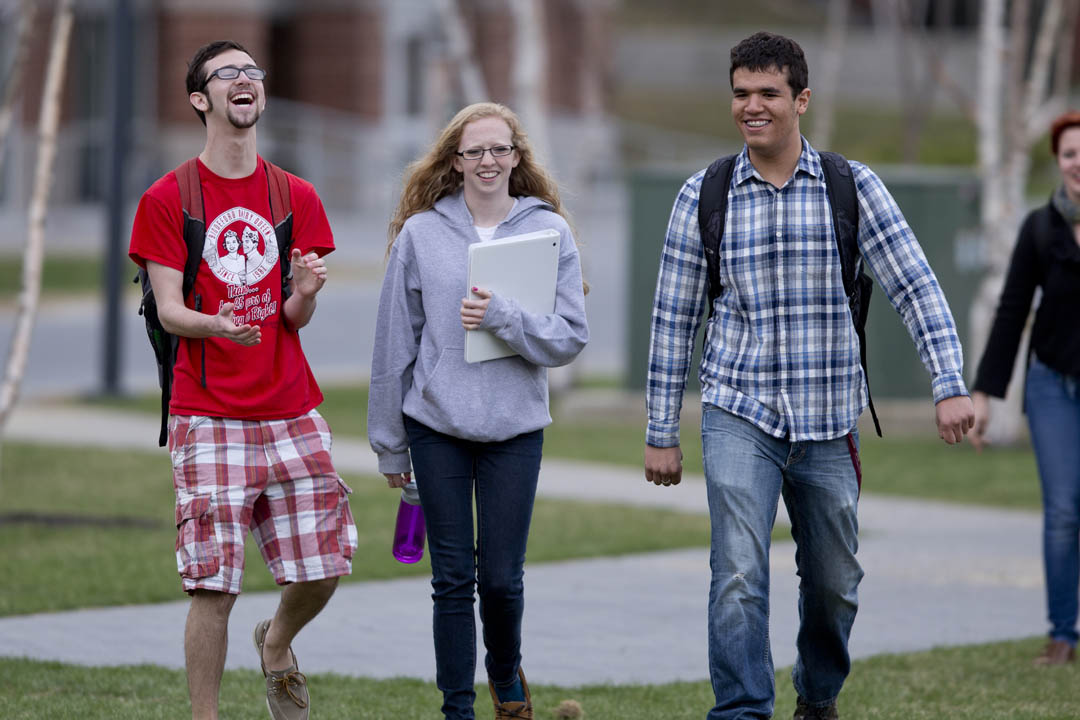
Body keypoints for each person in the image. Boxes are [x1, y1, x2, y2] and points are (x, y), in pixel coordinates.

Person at [643, 31, 975, 720]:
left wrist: (948, 383)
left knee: (834, 582)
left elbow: (916, 286)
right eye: (741, 93)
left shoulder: (853, 187)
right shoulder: (702, 195)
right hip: (739, 411)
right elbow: (673, 321)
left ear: (802, 99)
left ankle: (817, 696)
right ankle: (742, 710)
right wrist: (661, 431)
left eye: (768, 93)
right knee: (737, 571)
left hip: (829, 419)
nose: (752, 106)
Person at [128, 40, 356, 720]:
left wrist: (307, 292)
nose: (244, 80)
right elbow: (169, 310)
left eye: (252, 71)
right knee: (213, 585)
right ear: (201, 99)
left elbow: (292, 316)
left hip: (291, 408)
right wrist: (216, 325)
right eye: (227, 73)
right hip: (208, 413)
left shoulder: (296, 194)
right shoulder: (168, 198)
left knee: (322, 565)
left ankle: (277, 641)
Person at [367, 101, 588, 720]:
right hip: (436, 426)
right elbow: (393, 345)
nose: (487, 161)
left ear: (517, 157)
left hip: (515, 428)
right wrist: (390, 443)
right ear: (456, 161)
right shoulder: (421, 235)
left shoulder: (549, 233)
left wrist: (503, 319)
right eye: (475, 151)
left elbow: (570, 337)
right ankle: (457, 708)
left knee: (501, 580)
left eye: (499, 149)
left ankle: (502, 670)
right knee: (452, 582)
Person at [971, 111, 1080, 668]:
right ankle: (1063, 634)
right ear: (1059, 162)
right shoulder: (1040, 229)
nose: (1077, 162)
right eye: (1068, 153)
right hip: (1052, 387)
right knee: (1063, 510)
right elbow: (1011, 312)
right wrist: (984, 395)